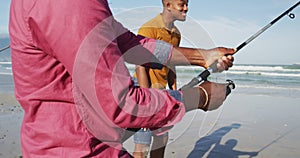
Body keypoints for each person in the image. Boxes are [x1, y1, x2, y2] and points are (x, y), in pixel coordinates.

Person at [9, 0, 235, 157]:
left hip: (49, 146)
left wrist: (202, 57)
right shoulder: (73, 5)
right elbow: (123, 104)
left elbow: (129, 43)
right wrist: (201, 97)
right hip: (83, 150)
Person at [133, 0, 188, 157]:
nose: (186, 8)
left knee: (161, 140)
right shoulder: (149, 29)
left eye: (187, 3)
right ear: (168, 5)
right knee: (142, 146)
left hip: (162, 91)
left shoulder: (176, 34)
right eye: (182, 4)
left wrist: (175, 91)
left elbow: (172, 64)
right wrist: (145, 101)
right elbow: (140, 65)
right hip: (143, 89)